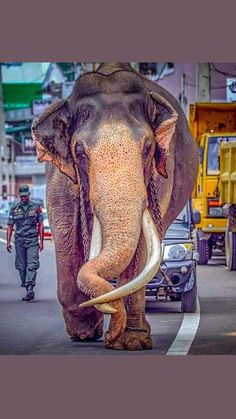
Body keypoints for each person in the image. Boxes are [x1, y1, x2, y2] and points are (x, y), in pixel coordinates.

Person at [6, 185, 44, 302]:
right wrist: (8, 242)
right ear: (19, 196)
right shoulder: (14, 208)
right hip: (19, 241)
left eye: (25, 196)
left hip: (32, 240)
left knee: (32, 264)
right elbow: (10, 226)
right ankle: (26, 284)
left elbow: (41, 225)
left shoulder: (36, 208)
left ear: (29, 195)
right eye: (22, 196)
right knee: (21, 266)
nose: (23, 198)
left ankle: (30, 288)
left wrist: (41, 241)